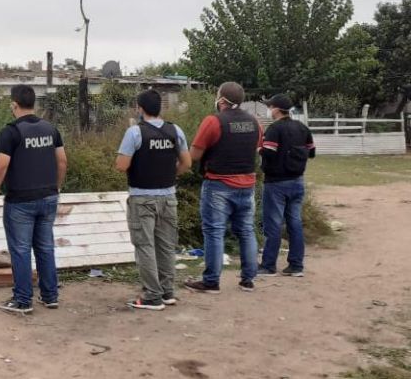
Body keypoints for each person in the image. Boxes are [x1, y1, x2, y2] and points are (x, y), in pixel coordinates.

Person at [0, 85, 67, 315]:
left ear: (14, 104)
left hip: (20, 202)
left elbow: (1, 164)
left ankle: (23, 300)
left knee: (21, 250)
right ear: (34, 104)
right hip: (49, 197)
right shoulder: (50, 129)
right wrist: (57, 186)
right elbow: (62, 161)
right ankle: (50, 296)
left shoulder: (11, 132)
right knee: (45, 247)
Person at [114, 89, 192, 311]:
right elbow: (186, 163)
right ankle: (167, 292)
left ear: (140, 108)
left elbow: (121, 165)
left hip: (142, 198)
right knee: (166, 246)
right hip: (169, 197)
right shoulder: (175, 130)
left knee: (144, 246)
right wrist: (168, 173)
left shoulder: (135, 133)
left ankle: (152, 296)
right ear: (160, 107)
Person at [185, 82, 263, 294]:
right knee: (247, 231)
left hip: (218, 184)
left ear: (221, 100)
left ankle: (211, 282)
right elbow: (256, 147)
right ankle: (248, 280)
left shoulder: (213, 121)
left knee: (214, 231)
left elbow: (194, 155)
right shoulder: (255, 121)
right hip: (247, 184)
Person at [258, 93, 315, 278]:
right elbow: (311, 152)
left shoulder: (274, 129)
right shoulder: (302, 128)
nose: (269, 109)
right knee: (295, 223)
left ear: (275, 109)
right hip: (297, 181)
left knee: (273, 224)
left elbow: (269, 153)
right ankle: (296, 266)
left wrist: (258, 148)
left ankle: (268, 266)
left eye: (270, 106)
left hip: (276, 183)